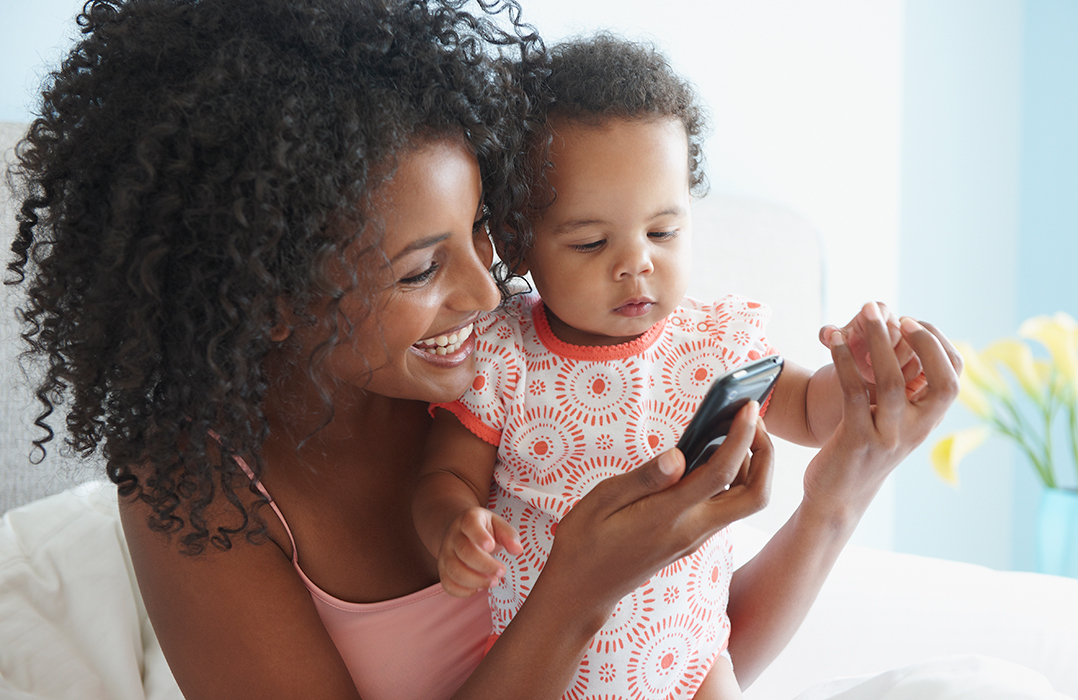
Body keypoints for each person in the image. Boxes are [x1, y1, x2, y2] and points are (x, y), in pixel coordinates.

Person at [8, 1, 964, 700]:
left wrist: (842, 490)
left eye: (482, 233)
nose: (485, 292)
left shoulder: (534, 365)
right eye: (422, 268)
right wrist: (575, 589)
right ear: (270, 301)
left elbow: (674, 665)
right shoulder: (199, 489)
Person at [411, 34, 925, 700]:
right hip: (550, 664)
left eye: (662, 231)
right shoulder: (503, 355)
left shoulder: (713, 342)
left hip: (695, 661)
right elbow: (444, 478)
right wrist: (455, 527)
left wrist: (863, 377)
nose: (636, 263)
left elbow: (808, 409)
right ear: (517, 242)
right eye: (591, 241)